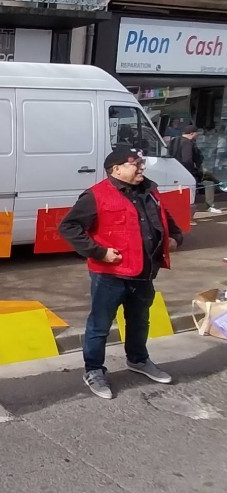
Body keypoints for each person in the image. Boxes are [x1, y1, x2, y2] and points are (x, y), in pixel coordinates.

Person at [59, 146, 183, 400]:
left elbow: (164, 218)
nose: (141, 167)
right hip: (109, 275)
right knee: (100, 325)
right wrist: (99, 252)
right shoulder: (96, 196)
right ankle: (94, 370)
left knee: (139, 321)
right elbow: (69, 227)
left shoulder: (150, 190)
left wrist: (175, 237)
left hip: (144, 271)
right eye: (135, 164)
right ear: (116, 169)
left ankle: (138, 360)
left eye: (141, 163)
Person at [170, 125, 221, 215]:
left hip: (175, 169)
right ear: (192, 133)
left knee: (208, 181)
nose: (197, 136)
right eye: (196, 134)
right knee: (209, 181)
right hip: (187, 171)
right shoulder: (187, 143)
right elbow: (187, 159)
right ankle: (210, 204)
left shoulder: (174, 141)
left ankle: (218, 187)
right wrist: (193, 172)